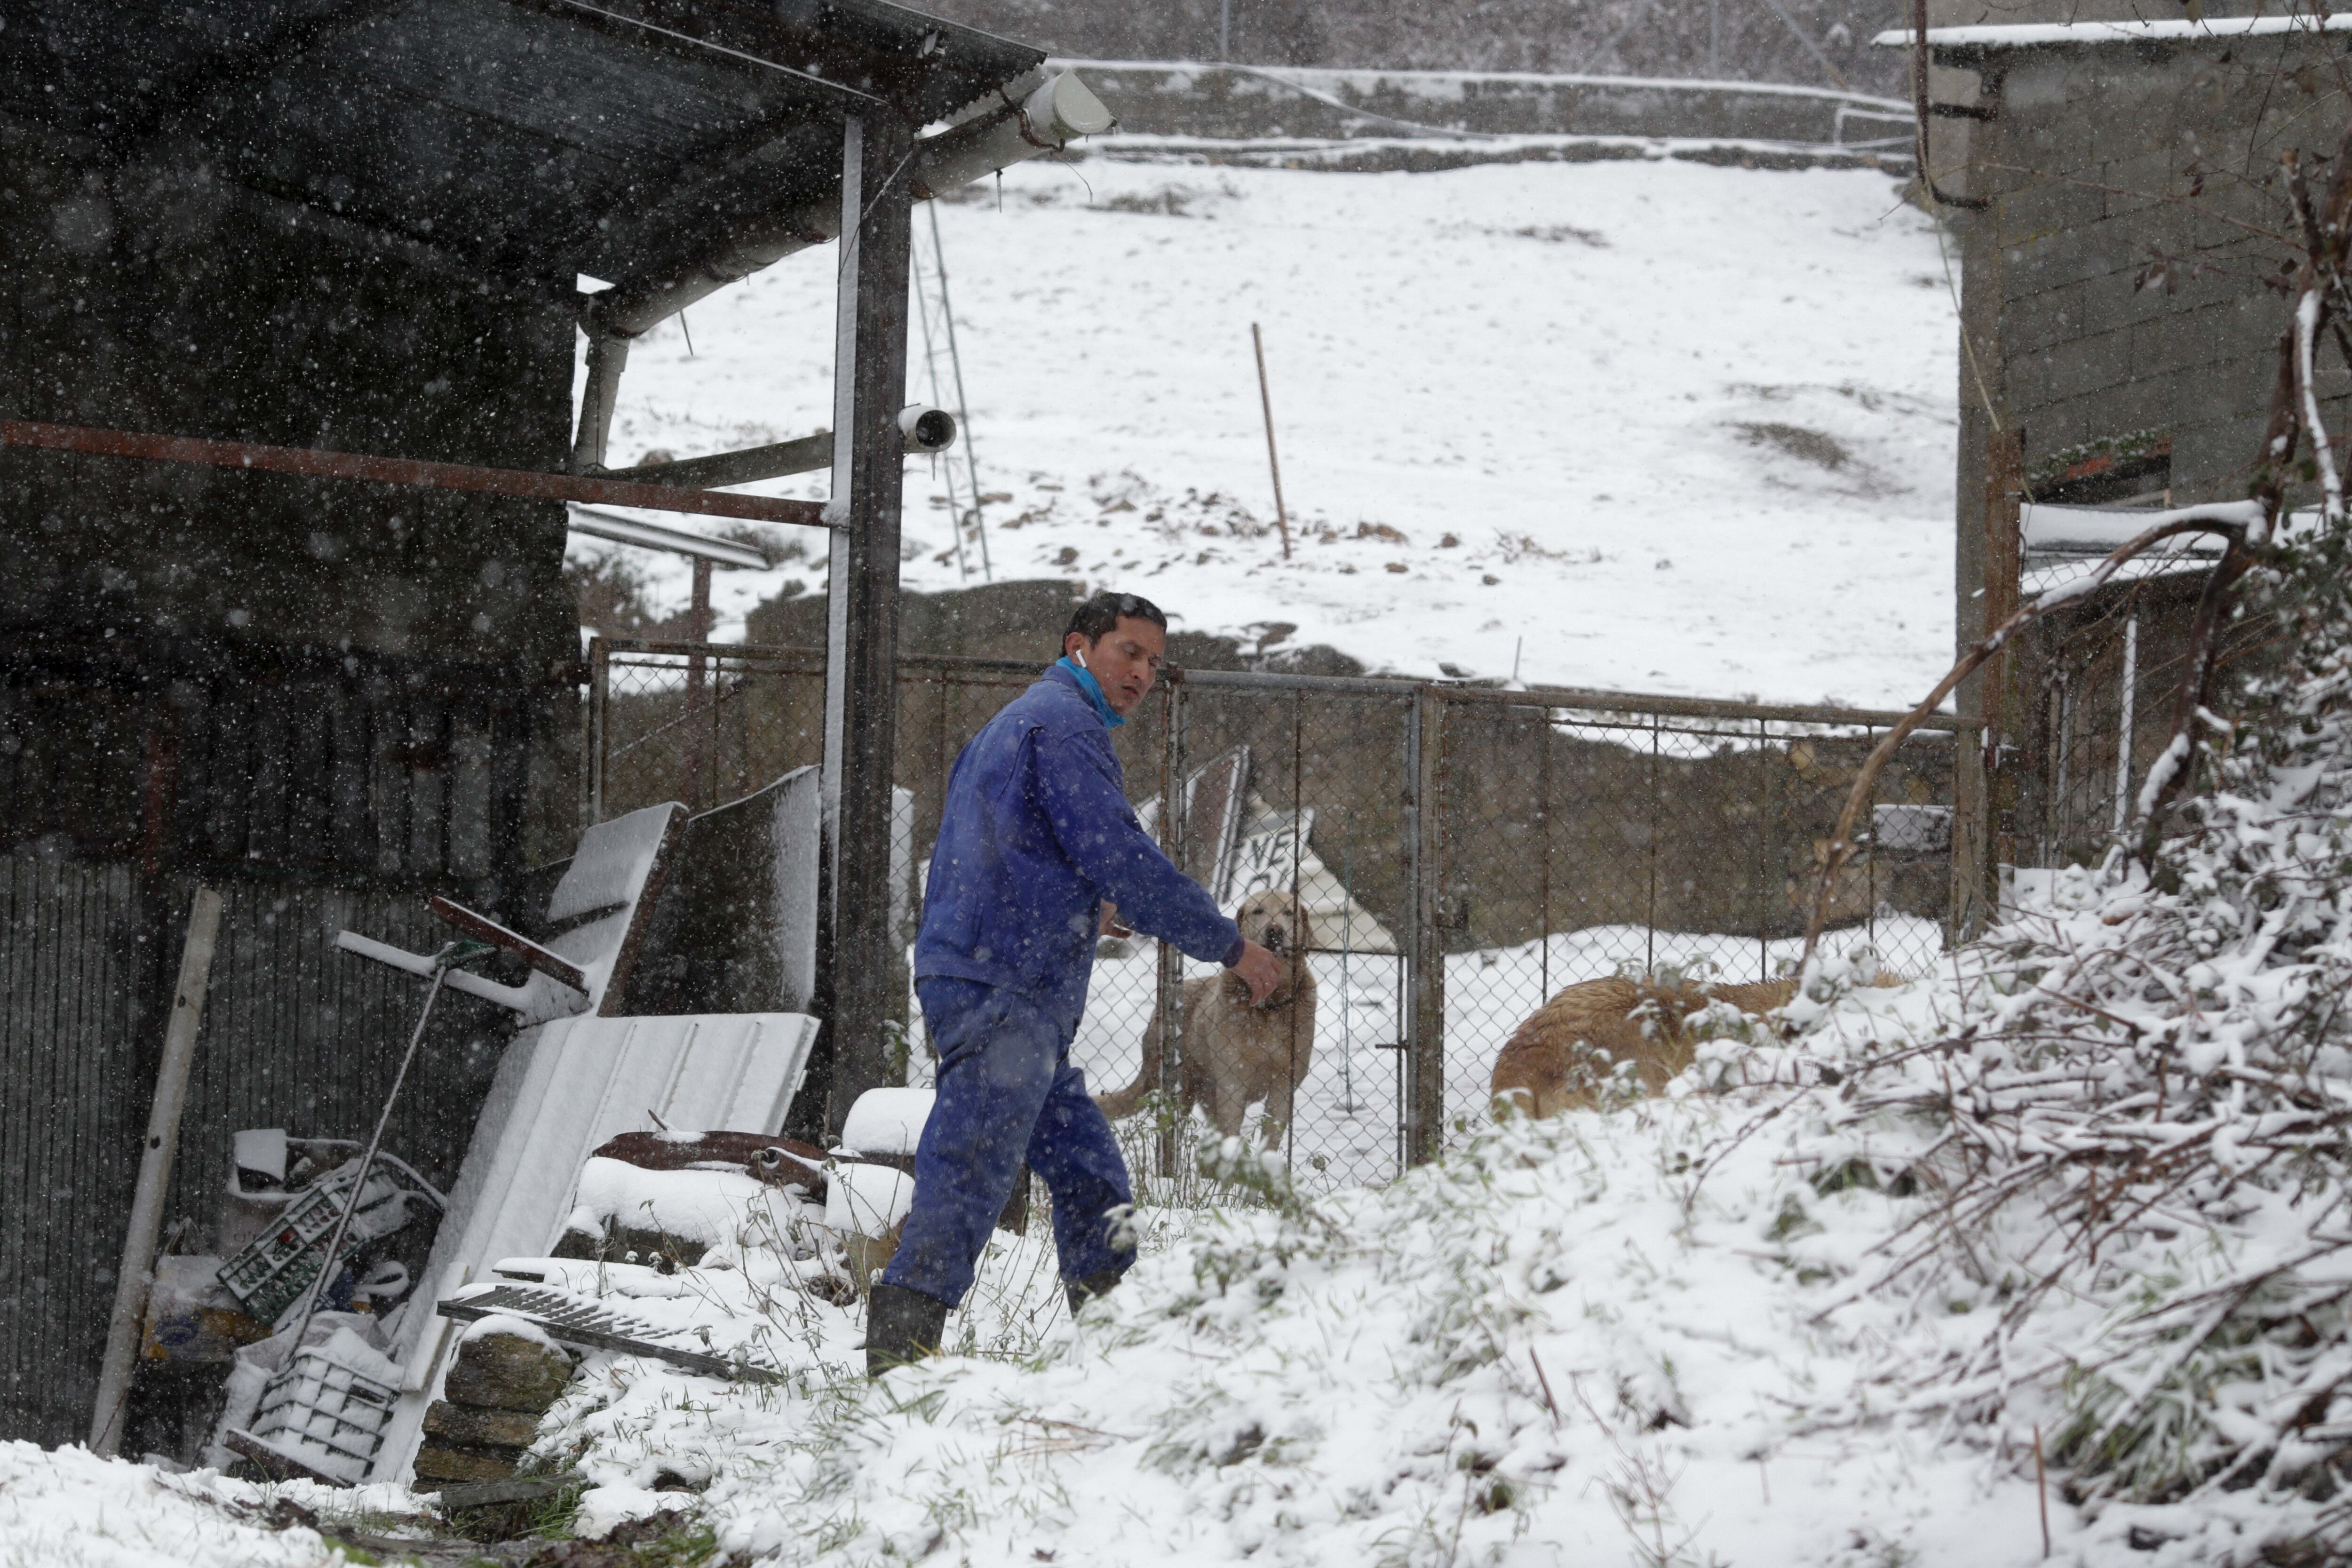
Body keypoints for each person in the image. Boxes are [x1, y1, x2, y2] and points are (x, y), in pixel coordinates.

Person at [865, 591, 1284, 1372]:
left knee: (1091, 1169)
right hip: (1003, 989)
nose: (1143, 674)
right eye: (1129, 651)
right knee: (970, 1168)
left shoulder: (1020, 722)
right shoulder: (1062, 726)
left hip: (1004, 980)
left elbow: (1005, 848)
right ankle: (900, 1365)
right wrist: (1231, 945)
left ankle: (1118, 1348)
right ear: (1080, 646)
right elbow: (1121, 854)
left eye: (1156, 662)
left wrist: (1080, 905)